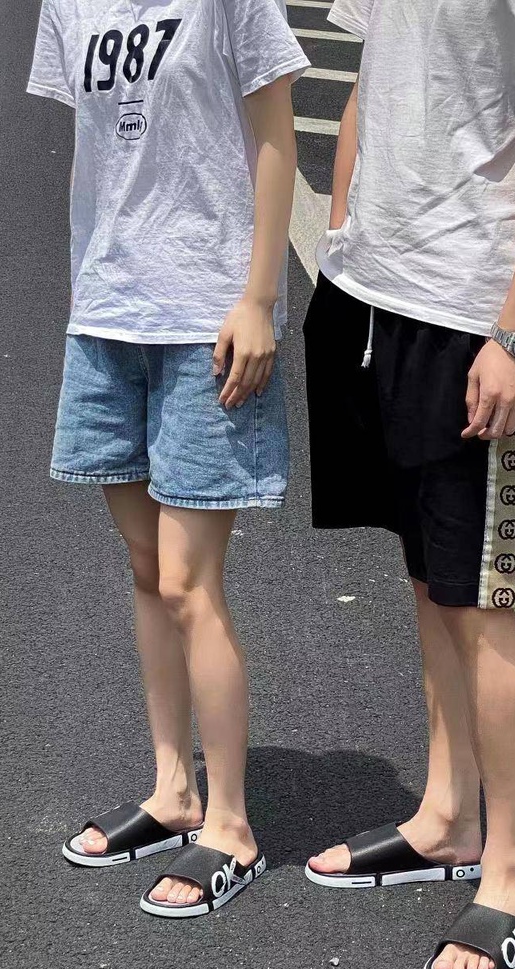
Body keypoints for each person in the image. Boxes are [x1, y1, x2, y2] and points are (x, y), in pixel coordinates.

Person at [303, 0, 515, 969]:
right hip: (371, 292)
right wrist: (343, 238)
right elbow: (370, 81)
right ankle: (447, 816)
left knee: (480, 597)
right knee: (427, 575)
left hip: (473, 313)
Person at [27, 0, 308, 918]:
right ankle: (172, 790)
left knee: (190, 581)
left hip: (206, 320)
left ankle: (231, 825)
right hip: (108, 314)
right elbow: (104, 150)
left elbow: (275, 137)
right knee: (147, 569)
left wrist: (260, 298)